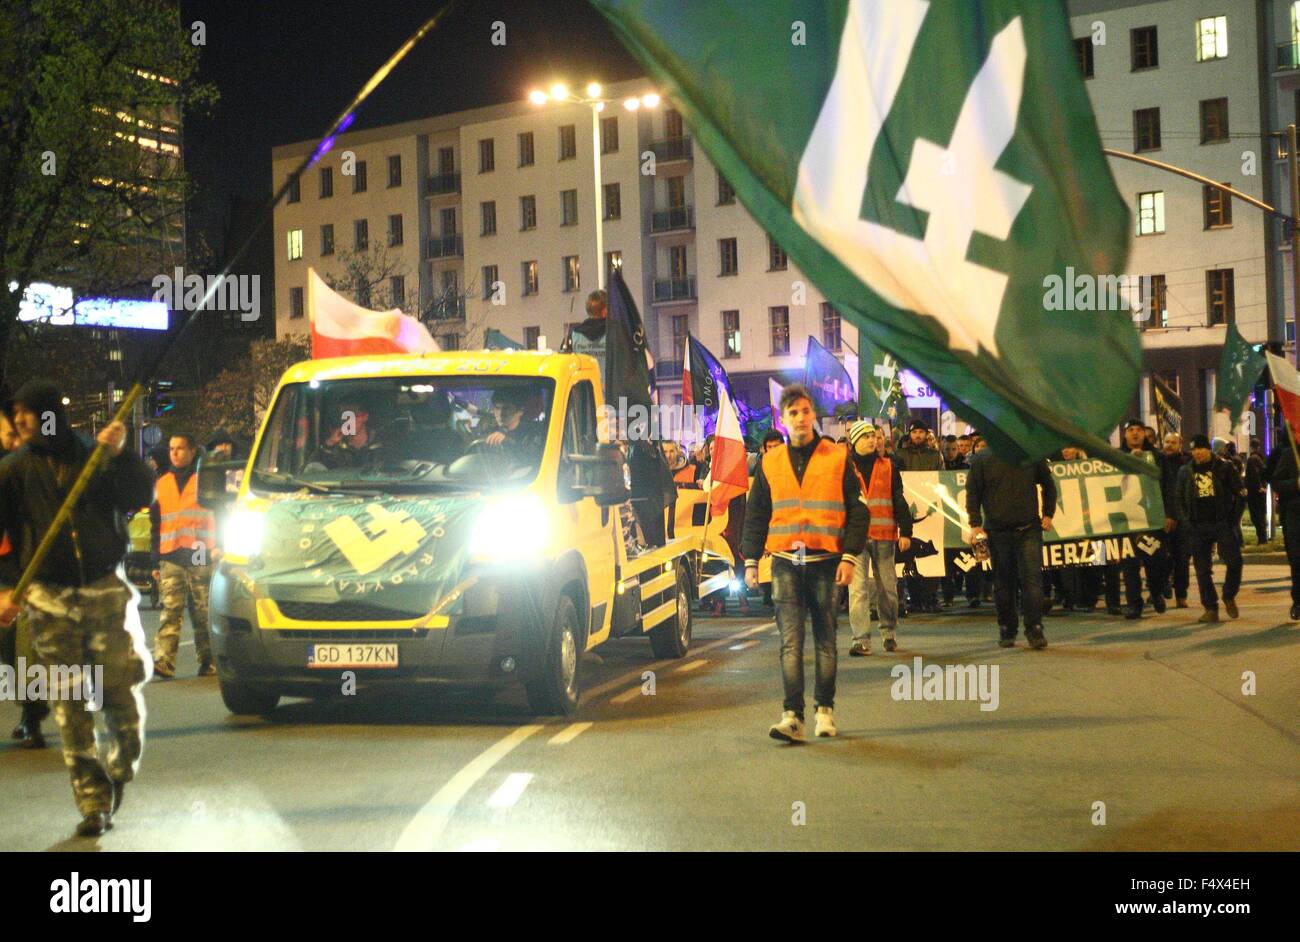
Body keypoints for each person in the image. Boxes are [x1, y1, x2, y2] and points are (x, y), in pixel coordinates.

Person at [0, 381, 155, 837]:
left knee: (117, 693)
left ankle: (122, 764)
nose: (20, 421)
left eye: (29, 413)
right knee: (68, 704)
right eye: (18, 414)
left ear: (52, 416)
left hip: (103, 590)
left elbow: (138, 495)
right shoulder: (12, 471)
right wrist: (7, 586)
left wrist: (123, 454)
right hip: (48, 599)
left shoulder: (96, 456)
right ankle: (93, 801)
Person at [741, 384, 867, 742]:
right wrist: (751, 561)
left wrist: (850, 556)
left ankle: (824, 712)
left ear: (814, 415)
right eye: (792, 413)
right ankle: (792, 716)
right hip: (785, 561)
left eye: (805, 411)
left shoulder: (837, 457)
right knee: (790, 643)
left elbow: (859, 510)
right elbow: (756, 514)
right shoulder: (769, 462)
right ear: (783, 419)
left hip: (827, 561)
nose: (800, 418)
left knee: (826, 640)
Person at [966, 444, 1056, 649]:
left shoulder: (1030, 454)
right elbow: (973, 493)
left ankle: (1035, 628)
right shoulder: (981, 459)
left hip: (1029, 529)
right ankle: (1007, 628)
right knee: (1003, 584)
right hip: (998, 532)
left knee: (1032, 582)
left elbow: (1049, 484)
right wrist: (975, 524)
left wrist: (1048, 513)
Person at [149, 434, 218, 679]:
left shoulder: (205, 480)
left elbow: (219, 515)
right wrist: (154, 558)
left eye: (180, 448)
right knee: (170, 610)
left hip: (199, 551)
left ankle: (210, 661)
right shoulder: (162, 482)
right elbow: (155, 523)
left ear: (192, 450)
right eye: (171, 449)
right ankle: (164, 661)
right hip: (171, 554)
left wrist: (218, 545)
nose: (175, 453)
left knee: (201, 610)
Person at [0, 408, 49, 748]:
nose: (15, 440)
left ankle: (32, 717)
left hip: (24, 573)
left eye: (19, 433)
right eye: (8, 434)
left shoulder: (35, 471)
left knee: (25, 651)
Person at [844, 421, 911, 656]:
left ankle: (889, 632)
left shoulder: (889, 466)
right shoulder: (845, 468)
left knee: (888, 589)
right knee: (858, 591)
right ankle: (860, 640)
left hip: (884, 536)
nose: (872, 440)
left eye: (874, 436)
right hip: (856, 539)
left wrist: (906, 531)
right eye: (866, 436)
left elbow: (898, 499)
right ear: (854, 441)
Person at [1174, 434, 1245, 623]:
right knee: (1202, 569)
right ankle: (1210, 607)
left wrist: (1233, 519)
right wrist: (1186, 521)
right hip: (1197, 525)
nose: (1197, 453)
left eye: (1201, 449)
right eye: (1194, 449)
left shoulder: (1225, 467)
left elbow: (1240, 494)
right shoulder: (1185, 471)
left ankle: (1229, 594)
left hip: (1222, 522)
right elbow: (1179, 499)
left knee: (1235, 561)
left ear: (1208, 449)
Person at [1118, 419, 1170, 619]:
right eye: (1130, 430)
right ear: (1125, 435)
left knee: (1154, 561)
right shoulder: (1116, 457)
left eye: (1139, 430)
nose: (1135, 434)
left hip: (1151, 520)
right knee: (1130, 565)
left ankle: (1156, 593)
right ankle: (1134, 604)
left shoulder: (1157, 457)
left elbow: (1167, 485)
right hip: (1127, 521)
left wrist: (1169, 514)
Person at [894, 420, 943, 614]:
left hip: (930, 511)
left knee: (931, 556)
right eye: (915, 432)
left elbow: (942, 478)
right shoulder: (900, 455)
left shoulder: (934, 456)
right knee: (908, 556)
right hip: (908, 510)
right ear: (910, 434)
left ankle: (930, 597)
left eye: (922, 432)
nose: (918, 436)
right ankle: (913, 597)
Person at [1267, 439, 1300, 620]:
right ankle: (1298, 601)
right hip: (1295, 517)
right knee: (1297, 561)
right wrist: (1296, 484)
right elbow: (1276, 482)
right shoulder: (1289, 455)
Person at [1160, 433, 1192, 607]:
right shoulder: (1159, 462)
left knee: (1181, 559)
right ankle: (1162, 587)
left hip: (1182, 520)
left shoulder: (1186, 464)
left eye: (1173, 442)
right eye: (1167, 442)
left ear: (1180, 444)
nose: (1169, 445)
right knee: (1162, 557)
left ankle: (1181, 594)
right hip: (1162, 517)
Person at [1245, 438, 1270, 544]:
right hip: (1260, 492)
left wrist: (1259, 486)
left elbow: (1254, 474)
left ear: (1250, 447)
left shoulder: (1252, 459)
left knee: (1256, 516)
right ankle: (1262, 538)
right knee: (1260, 515)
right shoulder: (1260, 459)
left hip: (1254, 492)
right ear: (1258, 447)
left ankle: (1262, 539)